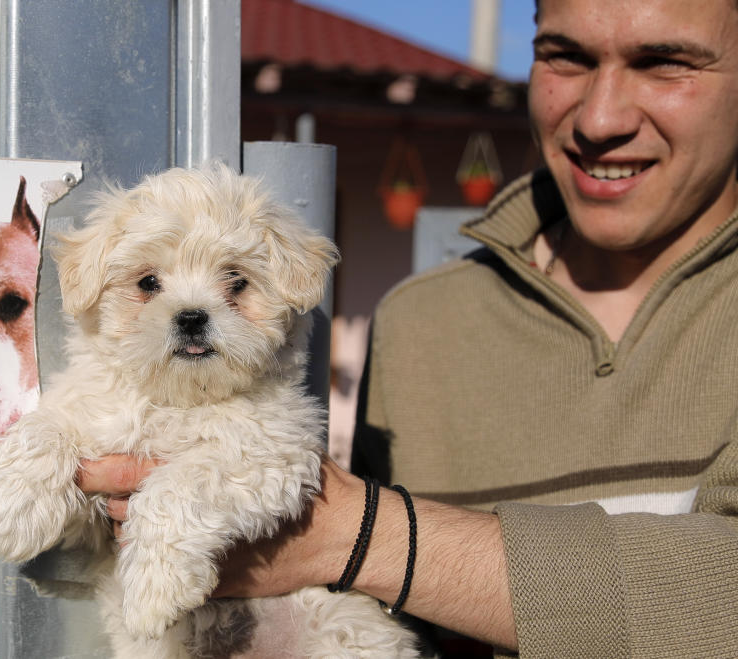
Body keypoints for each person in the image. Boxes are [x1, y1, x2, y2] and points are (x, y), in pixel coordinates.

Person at [78, 0, 738, 656]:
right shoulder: (424, 320)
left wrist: (363, 534)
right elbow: (373, 618)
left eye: (664, 63)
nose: (600, 118)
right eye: (565, 56)